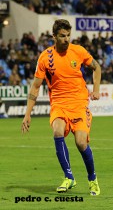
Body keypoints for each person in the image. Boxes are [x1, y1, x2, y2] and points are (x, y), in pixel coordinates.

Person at [21, 19, 102, 196]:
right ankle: (69, 177)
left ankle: (92, 179)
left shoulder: (78, 51)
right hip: (58, 103)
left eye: (68, 36)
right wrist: (27, 114)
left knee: (81, 142)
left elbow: (97, 67)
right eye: (62, 36)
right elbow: (35, 87)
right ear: (54, 37)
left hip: (79, 103)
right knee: (57, 131)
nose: (66, 39)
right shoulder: (45, 57)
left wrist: (96, 89)